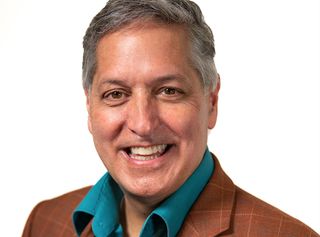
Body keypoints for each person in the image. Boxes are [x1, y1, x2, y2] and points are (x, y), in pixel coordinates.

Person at [22, 0, 319, 236]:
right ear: (90, 107)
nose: (142, 123)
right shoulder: (45, 223)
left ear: (211, 102)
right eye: (116, 94)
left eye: (168, 91)